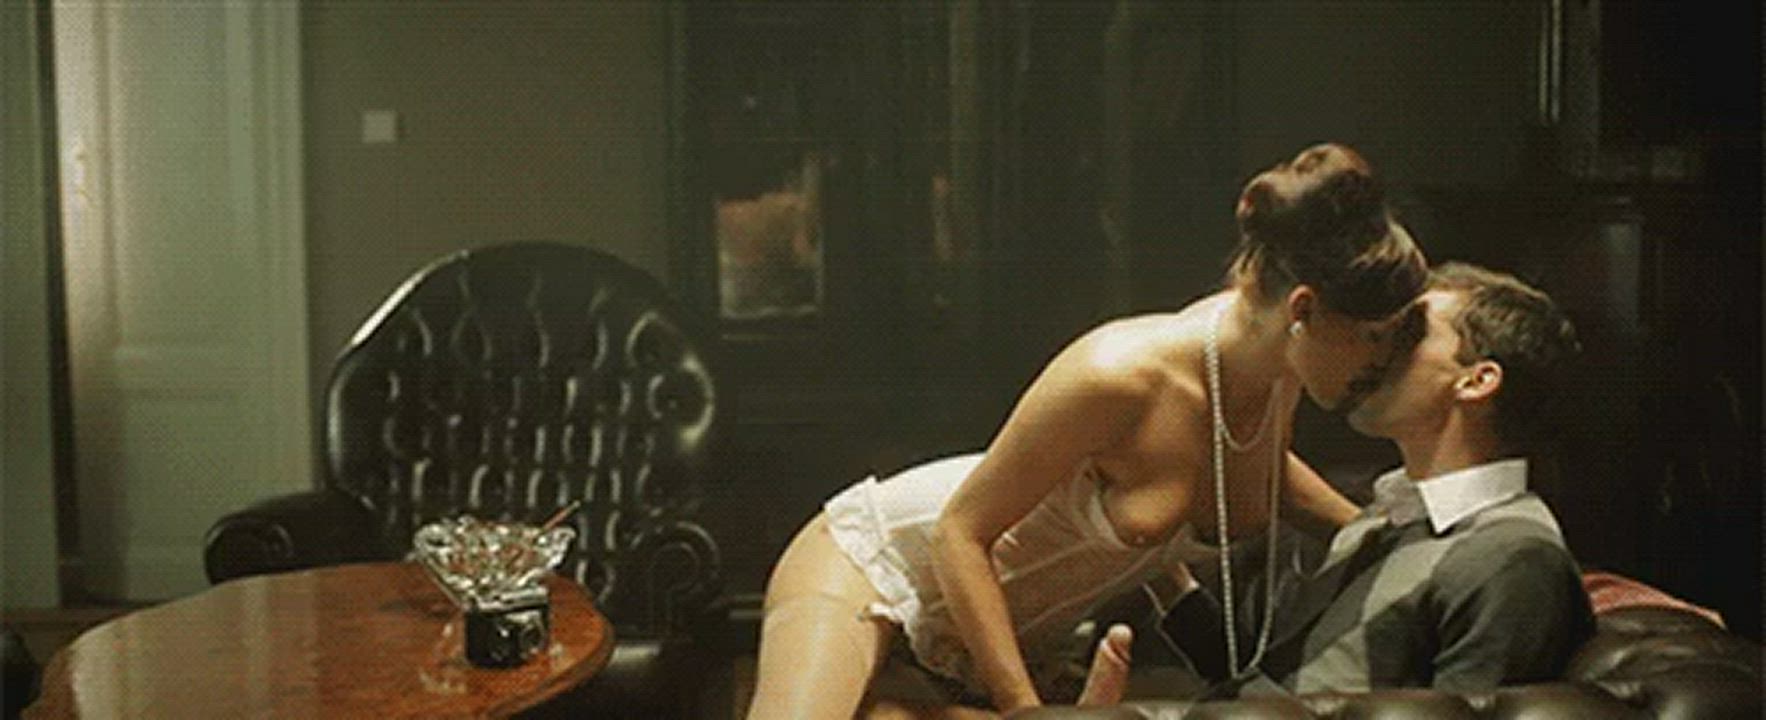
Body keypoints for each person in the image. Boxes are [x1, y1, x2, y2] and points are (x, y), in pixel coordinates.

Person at [745, 143, 1430, 718]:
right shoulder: (1120, 373)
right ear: (1303, 312)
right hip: (875, 568)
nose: (1382, 360)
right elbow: (959, 533)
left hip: (993, 637)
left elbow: (1257, 470)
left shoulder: (1275, 370)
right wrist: (1024, 711)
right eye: (1373, 336)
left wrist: (1390, 539)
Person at [1157, 262, 1595, 695]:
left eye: (1407, 334)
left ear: (1476, 380)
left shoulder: (1516, 556)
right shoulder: (1389, 519)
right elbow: (1273, 683)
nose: (1373, 350)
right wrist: (1160, 573)